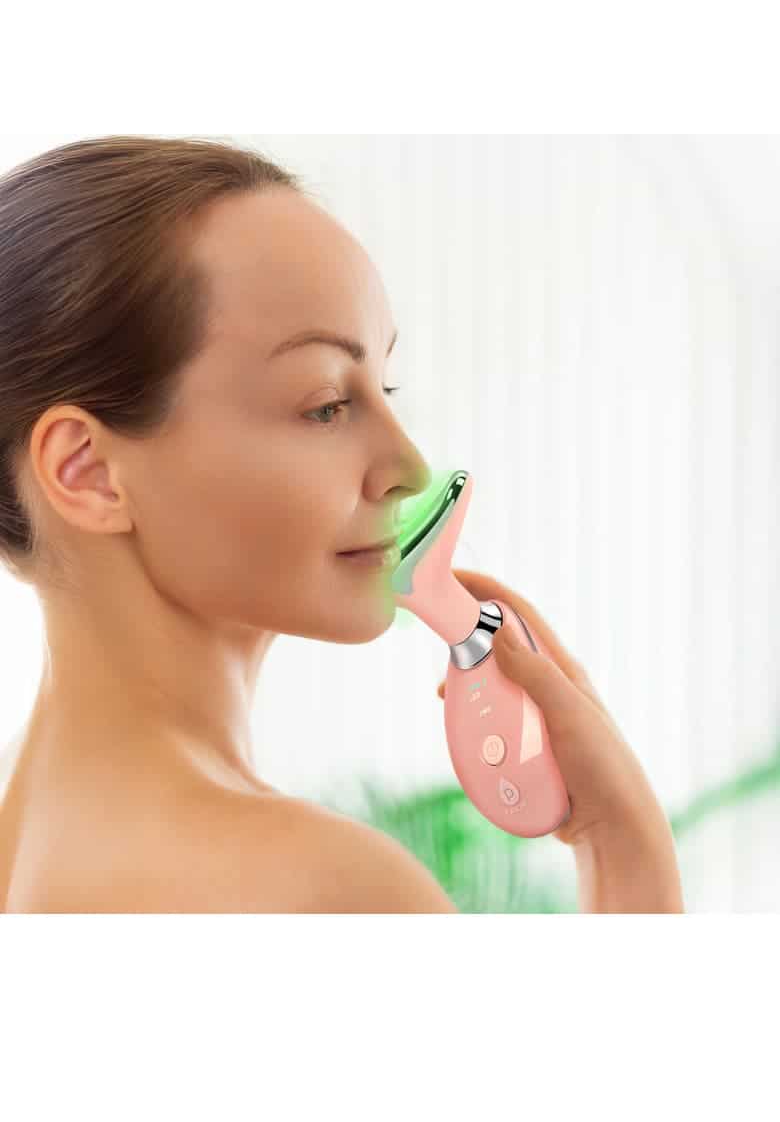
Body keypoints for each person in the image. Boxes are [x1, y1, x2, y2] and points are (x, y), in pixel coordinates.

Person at [0, 135, 683, 912]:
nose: (410, 467)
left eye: (384, 388)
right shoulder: (326, 887)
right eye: (326, 403)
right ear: (85, 471)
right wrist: (622, 840)